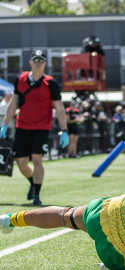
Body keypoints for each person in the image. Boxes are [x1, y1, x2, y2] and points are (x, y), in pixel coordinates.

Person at [0, 50, 69, 206]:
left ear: (45, 63)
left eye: (41, 60)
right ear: (30, 62)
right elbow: (13, 104)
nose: (38, 62)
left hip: (42, 127)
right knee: (21, 163)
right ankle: (33, 182)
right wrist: (4, 124)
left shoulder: (51, 83)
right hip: (22, 126)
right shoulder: (21, 80)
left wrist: (64, 130)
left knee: (37, 160)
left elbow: (59, 108)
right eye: (35, 59)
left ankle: (37, 195)